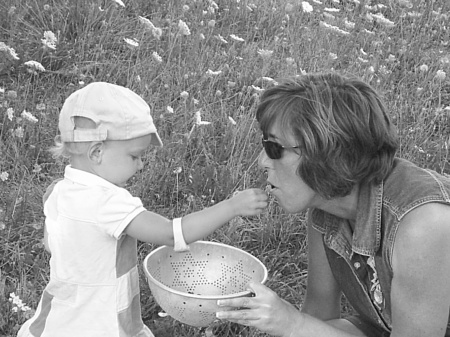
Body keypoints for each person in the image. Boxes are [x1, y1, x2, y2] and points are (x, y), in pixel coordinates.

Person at [18, 82, 268, 337]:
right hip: (100, 322)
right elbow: (172, 234)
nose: (140, 165)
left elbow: (52, 245)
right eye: (134, 156)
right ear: (97, 152)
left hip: (62, 316)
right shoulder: (109, 203)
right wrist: (232, 206)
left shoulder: (57, 191)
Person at [216, 72, 450, 337]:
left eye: (274, 148)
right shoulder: (326, 209)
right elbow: (319, 314)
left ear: (327, 153)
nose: (262, 161)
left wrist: (292, 323)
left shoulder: (424, 222)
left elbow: (303, 326)